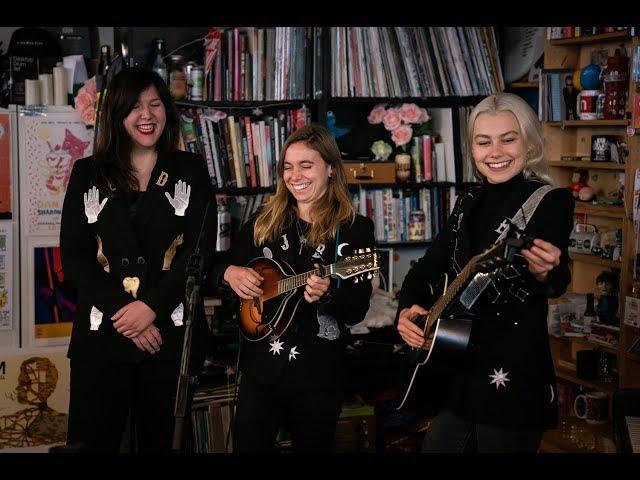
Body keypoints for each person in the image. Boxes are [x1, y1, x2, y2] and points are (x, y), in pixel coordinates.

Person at [396, 92, 574, 453]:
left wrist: (544, 273)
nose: (496, 152)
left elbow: (555, 279)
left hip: (512, 374)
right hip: (455, 366)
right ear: (472, 149)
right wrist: (407, 309)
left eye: (508, 139)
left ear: (529, 141)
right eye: (484, 142)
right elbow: (427, 266)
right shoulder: (467, 201)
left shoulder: (550, 200)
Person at [59, 67, 215, 452]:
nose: (147, 115)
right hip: (102, 338)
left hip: (168, 338)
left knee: (164, 443)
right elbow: (75, 258)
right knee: (91, 444)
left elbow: (199, 253)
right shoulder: (87, 173)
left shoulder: (190, 170)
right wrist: (130, 315)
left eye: (155, 104)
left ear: (167, 110)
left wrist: (151, 308)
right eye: (134, 107)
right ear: (116, 115)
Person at [210, 124, 374, 452]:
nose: (294, 175)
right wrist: (229, 273)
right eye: (288, 166)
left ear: (330, 168)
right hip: (261, 371)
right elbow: (215, 268)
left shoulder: (354, 230)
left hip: (318, 375)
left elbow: (356, 309)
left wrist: (327, 294)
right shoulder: (263, 222)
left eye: (306, 165)